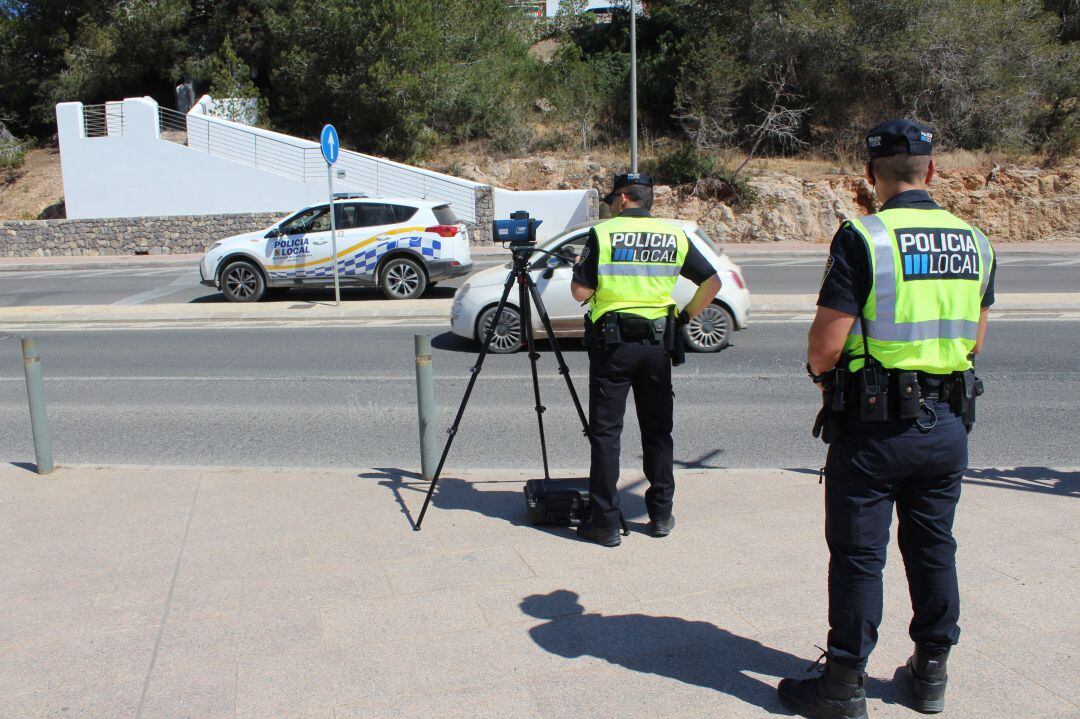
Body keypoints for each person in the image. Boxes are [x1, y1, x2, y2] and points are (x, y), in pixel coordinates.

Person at [778, 119, 996, 719]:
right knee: (933, 548)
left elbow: (826, 344)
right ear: (932, 171)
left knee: (857, 555)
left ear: (871, 177)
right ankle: (930, 675)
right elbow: (976, 339)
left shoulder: (863, 237)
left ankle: (843, 685)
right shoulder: (976, 241)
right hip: (948, 422)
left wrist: (832, 384)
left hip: (875, 428)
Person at [569, 172, 721, 547]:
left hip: (613, 347)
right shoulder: (674, 235)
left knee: (607, 435)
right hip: (656, 346)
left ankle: (604, 523)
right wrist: (683, 319)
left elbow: (579, 292)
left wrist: (582, 271)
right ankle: (661, 515)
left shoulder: (603, 234)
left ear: (622, 199)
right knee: (658, 431)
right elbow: (712, 283)